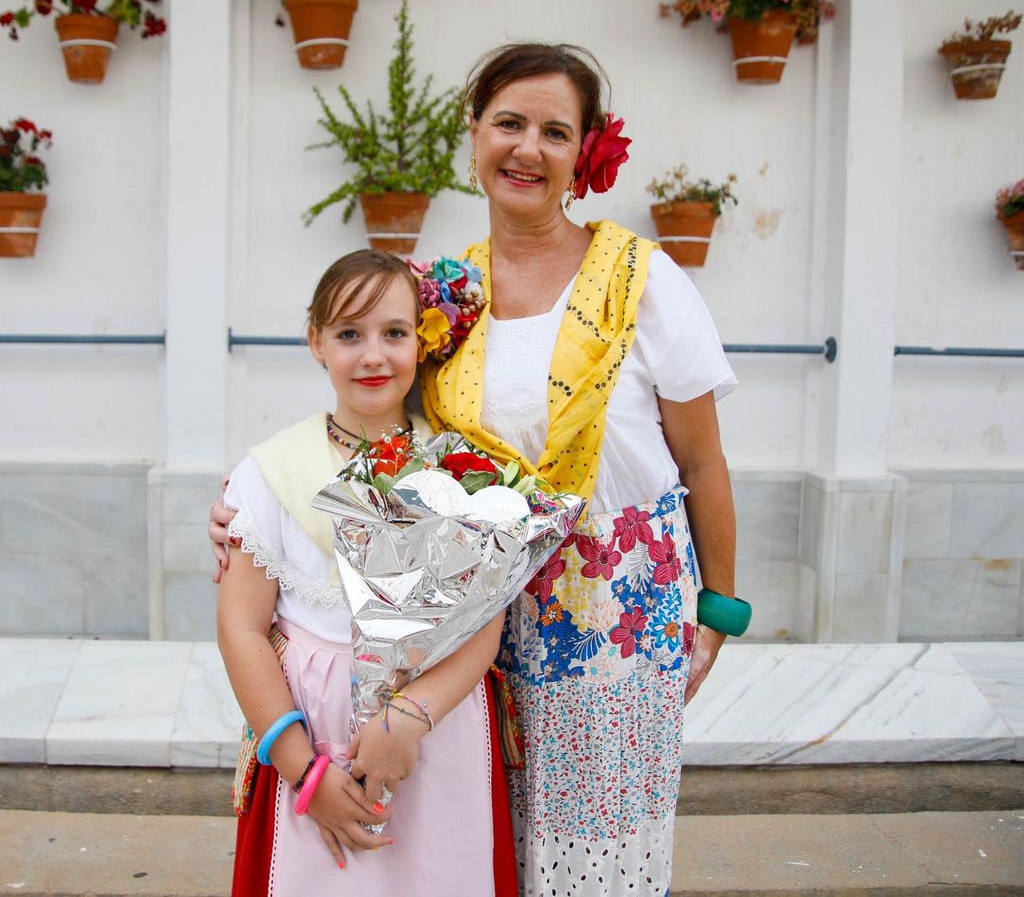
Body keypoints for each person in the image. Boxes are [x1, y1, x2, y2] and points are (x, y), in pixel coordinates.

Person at [216, 44, 740, 896]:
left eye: (554, 131)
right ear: (474, 133)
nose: (527, 148)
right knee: (472, 844)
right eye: (509, 123)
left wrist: (719, 608)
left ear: (585, 152)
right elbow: (383, 426)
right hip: (457, 618)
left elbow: (705, 459)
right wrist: (248, 518)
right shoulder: (442, 294)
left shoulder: (643, 282)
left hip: (608, 611)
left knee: (592, 862)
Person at [217, 249, 516, 896]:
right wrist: (305, 773)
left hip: (435, 733)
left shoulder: (458, 472)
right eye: (349, 334)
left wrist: (410, 715)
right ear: (316, 342)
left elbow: (483, 632)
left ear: (423, 341)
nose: (373, 355)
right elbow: (241, 629)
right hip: (314, 744)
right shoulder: (270, 472)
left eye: (395, 333)